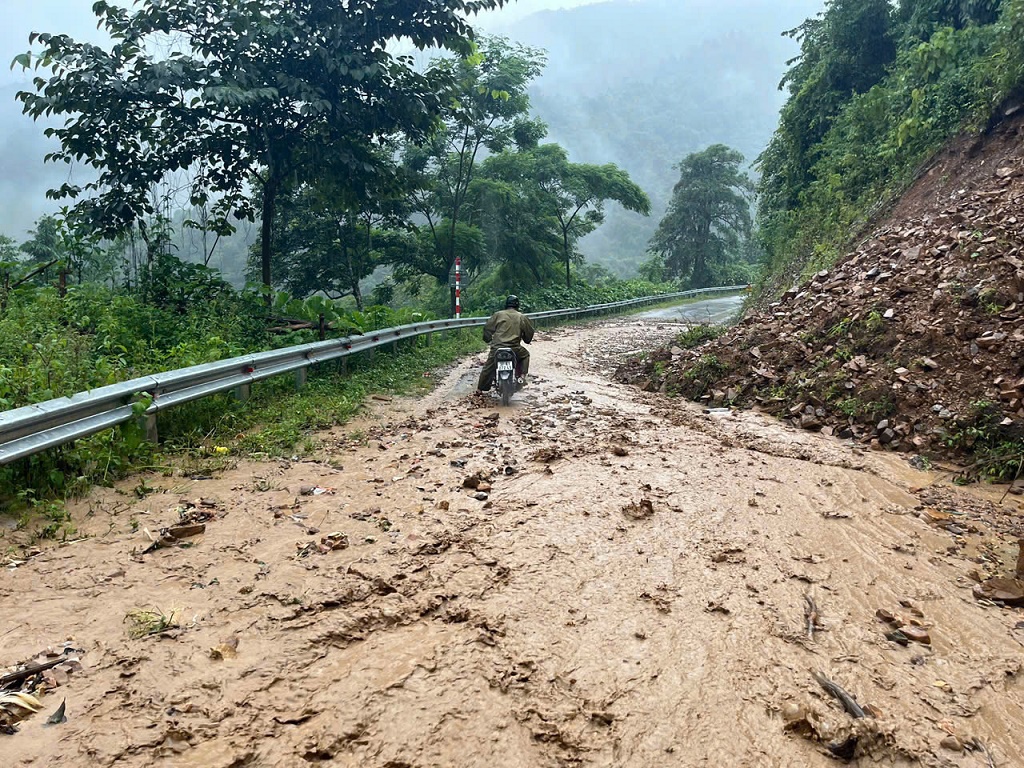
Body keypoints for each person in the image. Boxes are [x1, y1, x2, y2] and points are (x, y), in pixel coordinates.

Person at [477, 295, 535, 392]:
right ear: (517, 305)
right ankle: (522, 377)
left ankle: (479, 390)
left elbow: (487, 328)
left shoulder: (498, 315)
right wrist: (527, 339)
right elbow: (529, 332)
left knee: (488, 367)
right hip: (514, 349)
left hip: (497, 348)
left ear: (506, 305)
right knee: (525, 355)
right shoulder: (521, 317)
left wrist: (487, 339)